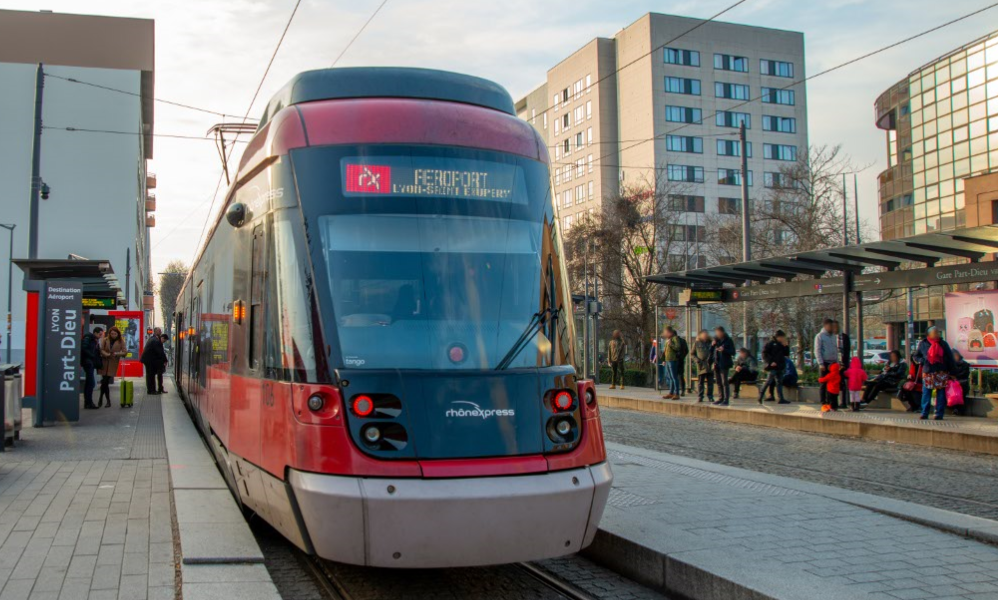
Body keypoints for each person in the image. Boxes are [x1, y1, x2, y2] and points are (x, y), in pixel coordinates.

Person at [912, 326, 956, 420]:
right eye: (935, 332)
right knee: (926, 393)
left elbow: (950, 358)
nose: (937, 334)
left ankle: (939, 413)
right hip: (928, 371)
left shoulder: (943, 344)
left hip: (941, 371)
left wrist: (952, 372)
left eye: (938, 332)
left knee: (940, 393)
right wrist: (922, 361)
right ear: (929, 334)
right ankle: (924, 412)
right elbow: (916, 356)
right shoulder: (923, 344)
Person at [98, 327, 127, 408]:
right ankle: (106, 401)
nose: (113, 335)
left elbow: (125, 352)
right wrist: (106, 354)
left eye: (115, 334)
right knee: (105, 381)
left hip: (113, 362)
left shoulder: (121, 341)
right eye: (112, 334)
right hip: (104, 362)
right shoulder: (105, 340)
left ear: (118, 334)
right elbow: (101, 349)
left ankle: (102, 399)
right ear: (109, 334)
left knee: (105, 381)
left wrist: (117, 354)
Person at [814, 318, 839, 409]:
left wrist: (837, 362)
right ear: (825, 326)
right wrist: (820, 363)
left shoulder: (833, 336)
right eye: (830, 326)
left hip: (833, 363)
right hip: (824, 362)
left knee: (832, 383)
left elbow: (835, 349)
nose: (832, 328)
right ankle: (823, 402)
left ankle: (831, 402)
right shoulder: (820, 336)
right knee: (824, 382)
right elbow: (817, 350)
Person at [760, 330, 791, 404]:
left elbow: (786, 354)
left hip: (780, 366)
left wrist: (786, 346)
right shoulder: (771, 344)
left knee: (779, 382)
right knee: (769, 381)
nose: (783, 339)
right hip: (773, 366)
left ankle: (781, 398)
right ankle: (761, 395)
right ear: (778, 337)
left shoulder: (781, 344)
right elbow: (764, 354)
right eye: (782, 337)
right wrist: (770, 362)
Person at [711, 327, 736, 406]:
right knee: (718, 382)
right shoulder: (716, 340)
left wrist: (724, 350)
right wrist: (712, 345)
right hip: (717, 363)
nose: (717, 334)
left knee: (724, 382)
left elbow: (733, 352)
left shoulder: (728, 340)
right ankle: (720, 398)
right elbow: (711, 351)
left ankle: (726, 399)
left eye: (718, 332)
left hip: (724, 363)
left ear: (722, 332)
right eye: (716, 332)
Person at [140, 327, 168, 396]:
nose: (160, 332)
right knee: (150, 375)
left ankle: (151, 390)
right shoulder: (155, 340)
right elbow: (159, 352)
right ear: (156, 332)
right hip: (149, 361)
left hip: (149, 360)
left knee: (150, 375)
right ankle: (151, 390)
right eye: (159, 331)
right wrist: (165, 360)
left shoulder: (153, 339)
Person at [80, 328, 103, 410]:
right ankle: (88, 402)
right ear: (95, 333)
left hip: (90, 362)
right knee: (91, 383)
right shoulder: (88, 338)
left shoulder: (94, 340)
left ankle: (88, 402)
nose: (101, 336)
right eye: (100, 334)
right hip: (88, 362)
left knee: (89, 383)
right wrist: (92, 356)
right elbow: (84, 348)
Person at [691, 330, 714, 403]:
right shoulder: (697, 343)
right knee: (701, 382)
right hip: (701, 365)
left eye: (706, 334)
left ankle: (710, 396)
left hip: (710, 365)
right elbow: (692, 354)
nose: (705, 336)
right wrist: (697, 360)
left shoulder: (711, 343)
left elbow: (714, 352)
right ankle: (700, 396)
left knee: (710, 382)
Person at [660, 327, 682, 400]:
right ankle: (671, 392)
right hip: (668, 360)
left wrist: (671, 344)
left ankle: (677, 393)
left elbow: (678, 347)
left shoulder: (675, 338)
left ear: (670, 332)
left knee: (674, 377)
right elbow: (665, 351)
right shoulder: (667, 340)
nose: (665, 334)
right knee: (670, 377)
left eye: (666, 332)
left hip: (673, 360)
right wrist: (663, 360)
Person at [950, 350, 971, 416]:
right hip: (954, 384)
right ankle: (955, 409)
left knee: (961, 394)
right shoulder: (951, 364)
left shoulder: (965, 364)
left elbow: (965, 374)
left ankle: (959, 410)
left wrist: (954, 377)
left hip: (962, 383)